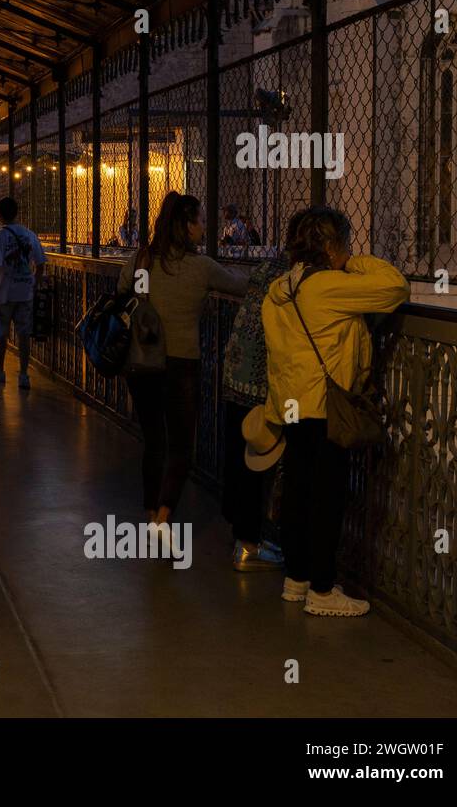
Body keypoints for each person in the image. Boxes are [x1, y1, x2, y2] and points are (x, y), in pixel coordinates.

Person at [262, 206, 407, 617]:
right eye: (344, 242)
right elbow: (394, 287)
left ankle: (297, 578)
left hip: (291, 403)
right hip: (326, 407)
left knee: (297, 491)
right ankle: (323, 591)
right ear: (330, 246)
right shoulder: (328, 286)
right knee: (328, 497)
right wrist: (355, 261)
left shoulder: (280, 290)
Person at [117, 192, 248, 527]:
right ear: (188, 226)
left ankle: (149, 511)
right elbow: (239, 286)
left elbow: (122, 293)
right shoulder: (201, 267)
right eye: (201, 221)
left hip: (143, 362)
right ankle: (163, 516)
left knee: (154, 442)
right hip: (180, 364)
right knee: (180, 445)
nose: (205, 227)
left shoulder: (142, 259)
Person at [220, 210, 308, 571]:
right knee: (262, 464)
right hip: (263, 382)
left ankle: (243, 538)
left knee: (241, 458)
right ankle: (252, 545)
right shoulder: (300, 278)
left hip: (236, 372)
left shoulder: (272, 266)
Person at [0, 196, 46, 389]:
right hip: (25, 292)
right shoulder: (29, 235)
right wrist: (34, 283)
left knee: (1, 334)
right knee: (23, 334)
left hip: (4, 293)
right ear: (17, 212)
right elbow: (41, 263)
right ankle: (23, 374)